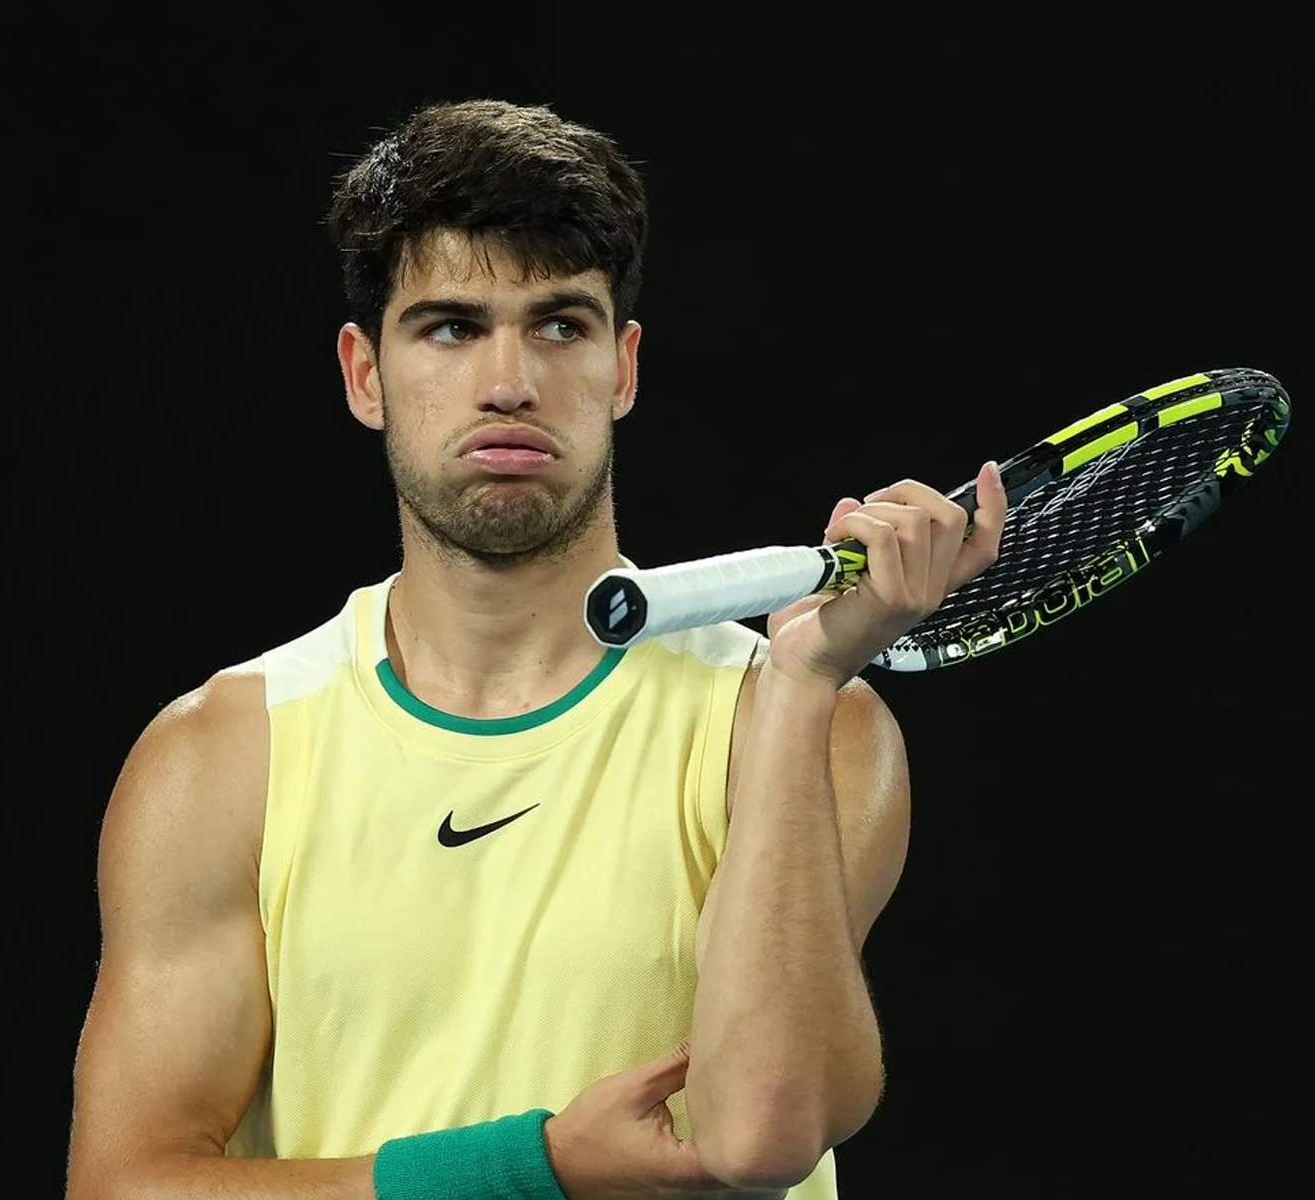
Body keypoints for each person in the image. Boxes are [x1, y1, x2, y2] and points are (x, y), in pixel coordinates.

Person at [64, 98, 1006, 1200]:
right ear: (364, 373)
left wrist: (798, 683)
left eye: (560, 325)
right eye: (451, 327)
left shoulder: (809, 727)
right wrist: (528, 1170)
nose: (507, 380)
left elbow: (762, 1133)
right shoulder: (222, 757)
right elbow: (124, 1186)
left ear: (623, 367)